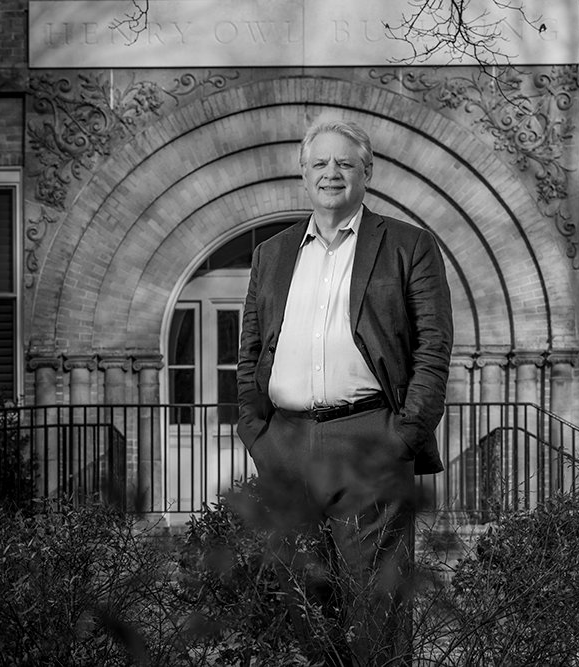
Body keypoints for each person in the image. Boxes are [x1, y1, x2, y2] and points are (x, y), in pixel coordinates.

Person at [236, 117, 453, 666]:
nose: (331, 173)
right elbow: (251, 349)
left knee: (376, 610)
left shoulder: (409, 245)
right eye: (319, 163)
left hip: (368, 440)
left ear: (367, 172)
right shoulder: (273, 253)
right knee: (301, 611)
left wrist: (402, 437)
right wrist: (256, 431)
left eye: (344, 163)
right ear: (302, 174)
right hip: (284, 443)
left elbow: (433, 348)